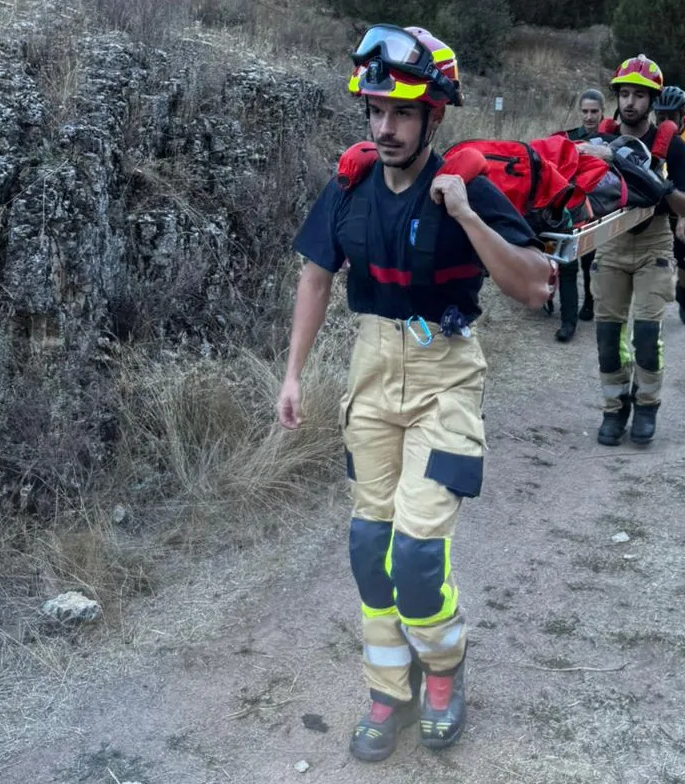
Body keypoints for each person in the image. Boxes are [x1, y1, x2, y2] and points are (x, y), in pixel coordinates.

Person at [278, 24, 553, 763]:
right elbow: (315, 277)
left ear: (434, 116)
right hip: (370, 372)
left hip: (445, 377)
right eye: (376, 111)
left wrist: (465, 213)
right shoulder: (349, 185)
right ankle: (388, 689)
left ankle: (444, 668)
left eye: (402, 113)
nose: (385, 128)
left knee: (418, 557)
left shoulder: (468, 188)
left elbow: (535, 286)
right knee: (370, 548)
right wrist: (294, 374)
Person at [582, 55, 685, 446]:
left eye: (639, 95)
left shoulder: (672, 147)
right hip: (611, 241)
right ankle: (614, 409)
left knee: (647, 336)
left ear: (653, 100)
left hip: (653, 242)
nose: (630, 102)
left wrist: (660, 185)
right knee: (608, 338)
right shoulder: (602, 143)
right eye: (624, 94)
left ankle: (647, 405)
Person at [550, 88, 605, 341]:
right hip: (571, 210)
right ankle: (568, 322)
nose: (589, 116)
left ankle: (590, 303)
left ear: (602, 112)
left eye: (594, 111)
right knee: (568, 265)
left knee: (590, 264)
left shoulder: (609, 140)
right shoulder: (568, 138)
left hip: (598, 211)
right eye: (585, 111)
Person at [653, 85, 685, 325]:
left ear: (682, 114)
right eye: (660, 116)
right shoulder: (650, 136)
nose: (665, 122)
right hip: (659, 209)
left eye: (670, 116)